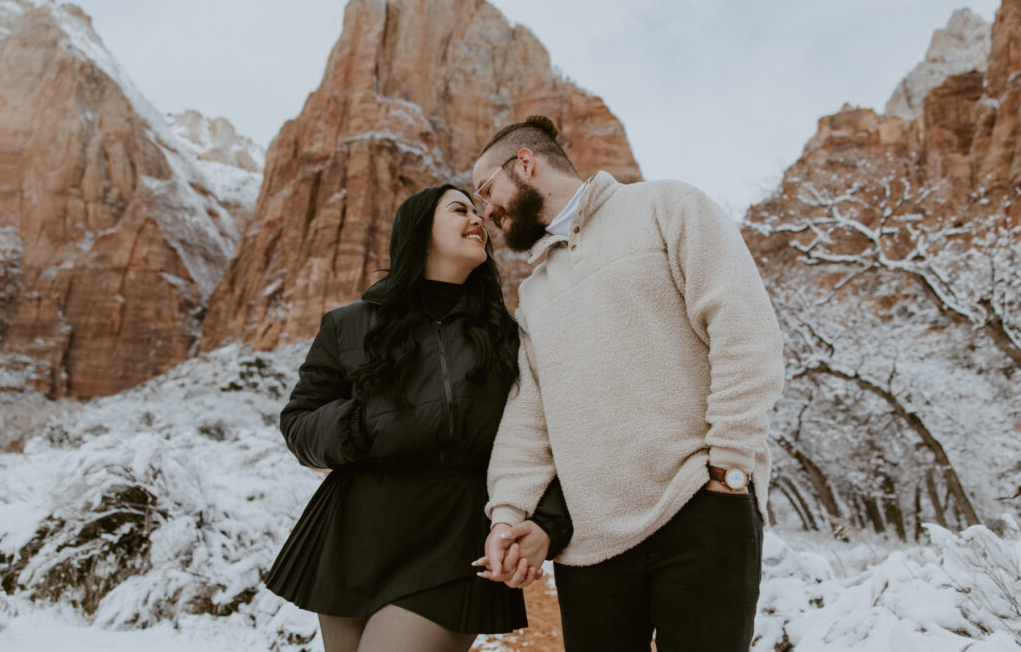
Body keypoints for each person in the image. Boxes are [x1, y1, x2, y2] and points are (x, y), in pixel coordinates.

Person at [471, 116, 785, 651]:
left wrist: (729, 470)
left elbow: (743, 330)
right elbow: (530, 419)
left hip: (701, 509)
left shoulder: (667, 207)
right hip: (591, 547)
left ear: (525, 163)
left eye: (486, 191)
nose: (486, 212)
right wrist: (507, 516)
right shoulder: (535, 293)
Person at [265, 184, 573, 652]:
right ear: (419, 231)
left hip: (457, 534)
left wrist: (549, 523)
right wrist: (365, 422)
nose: (477, 219)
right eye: (459, 209)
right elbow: (299, 423)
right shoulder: (349, 324)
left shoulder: (507, 334)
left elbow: (549, 437)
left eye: (478, 211)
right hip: (357, 531)